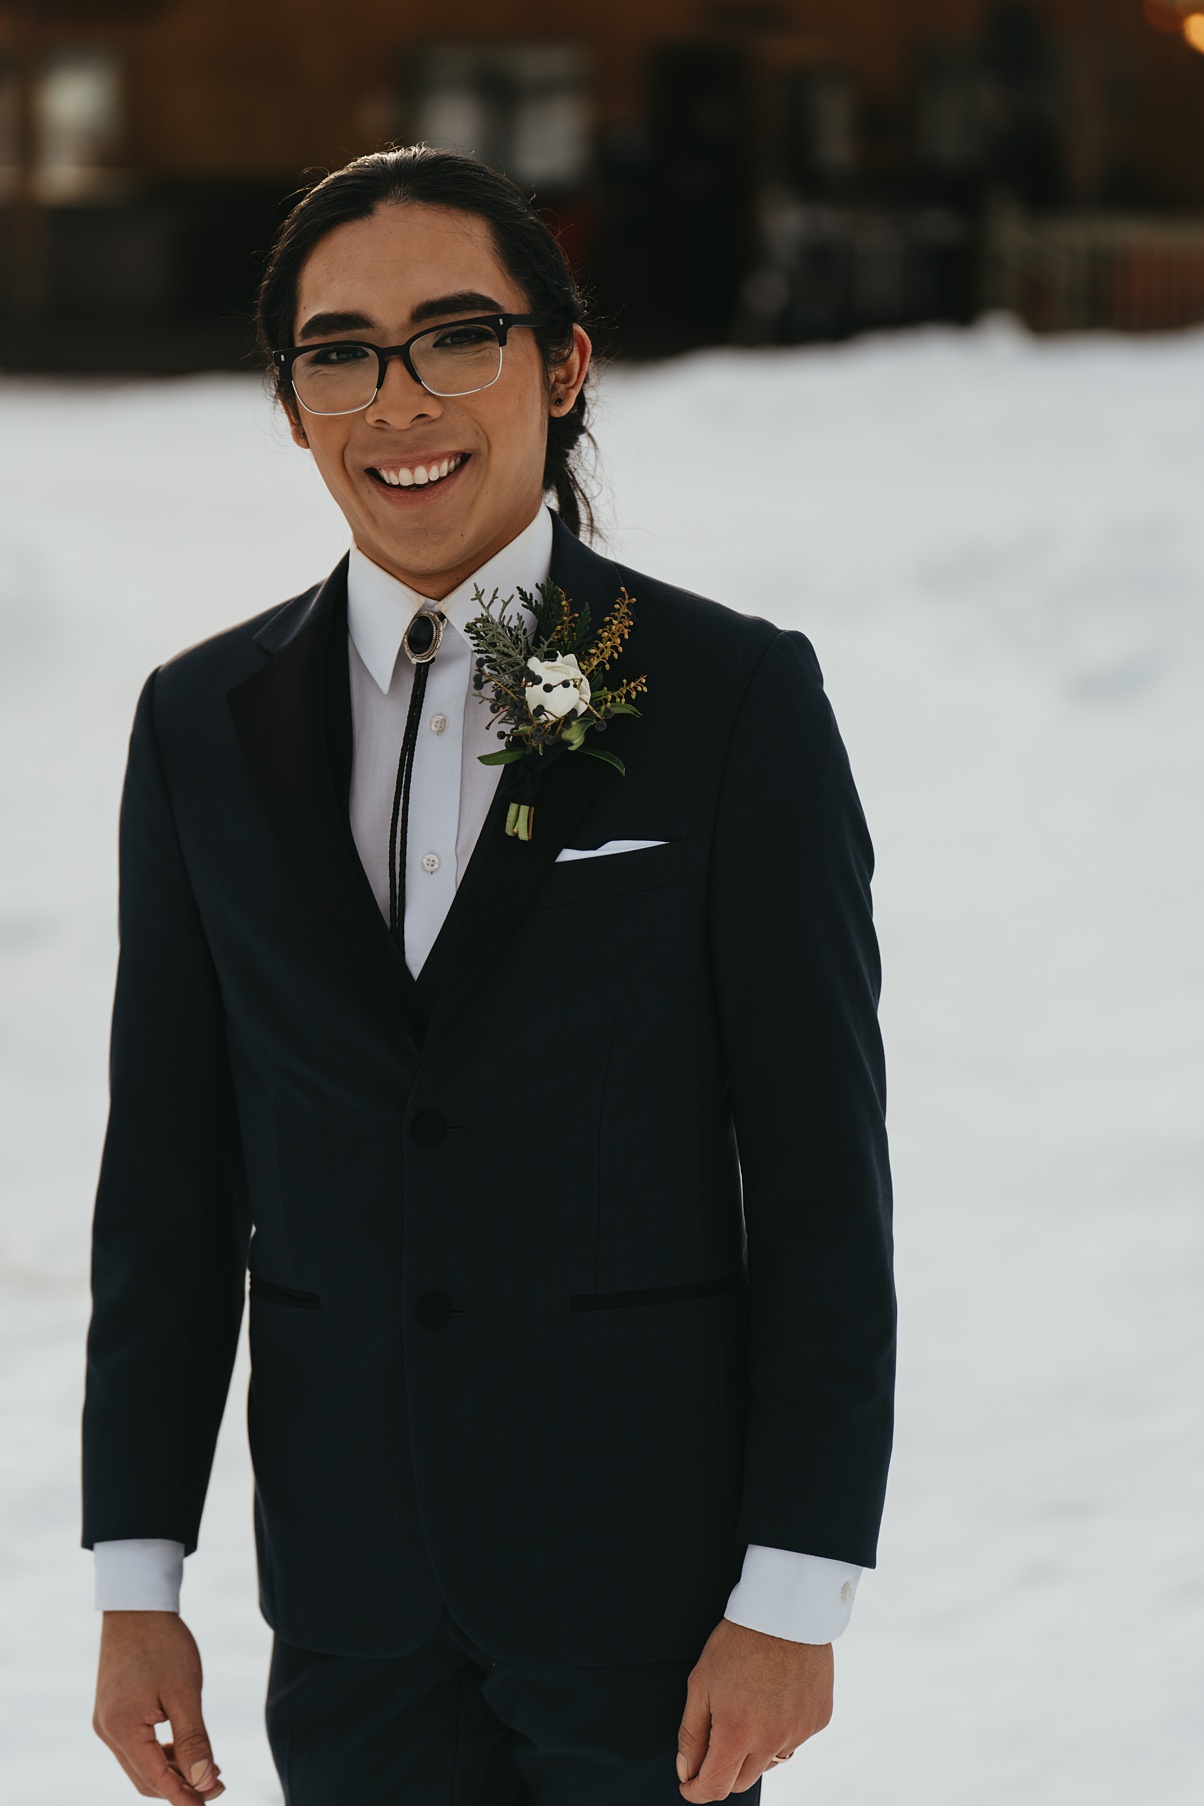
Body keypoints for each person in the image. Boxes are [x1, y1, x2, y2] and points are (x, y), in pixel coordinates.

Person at [83, 146, 895, 1806]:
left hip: (654, 1613)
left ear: (563, 360)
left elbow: (820, 1177)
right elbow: (168, 1181)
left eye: (457, 336)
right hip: (352, 1602)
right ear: (293, 398)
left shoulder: (730, 702)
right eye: (340, 353)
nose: (400, 402)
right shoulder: (197, 730)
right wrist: (135, 1583)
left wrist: (795, 1589)